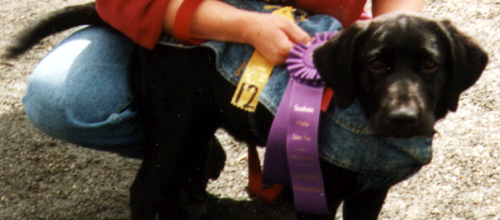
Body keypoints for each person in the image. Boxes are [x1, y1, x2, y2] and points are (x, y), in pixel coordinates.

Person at [22, 0, 425, 159]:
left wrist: (389, 32)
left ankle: (294, 163)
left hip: (309, 36)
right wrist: (244, 26)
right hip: (182, 22)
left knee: (381, 142)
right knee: (60, 98)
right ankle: (188, 152)